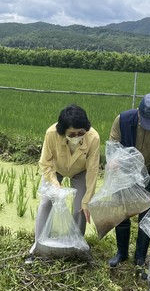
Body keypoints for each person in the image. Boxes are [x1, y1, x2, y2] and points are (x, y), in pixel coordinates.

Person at [107, 93, 150, 276]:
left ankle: (140, 258)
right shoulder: (123, 120)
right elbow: (113, 145)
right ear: (139, 112)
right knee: (122, 212)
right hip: (125, 172)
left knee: (148, 215)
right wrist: (114, 160)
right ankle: (121, 253)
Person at [28, 104, 100, 261]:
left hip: (80, 171)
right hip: (56, 169)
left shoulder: (93, 137)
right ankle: (39, 243)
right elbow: (45, 162)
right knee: (46, 202)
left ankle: (77, 244)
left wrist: (87, 200)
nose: (76, 136)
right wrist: (54, 182)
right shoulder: (51, 134)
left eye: (80, 133)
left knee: (80, 206)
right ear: (63, 132)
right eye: (72, 134)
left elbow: (93, 170)